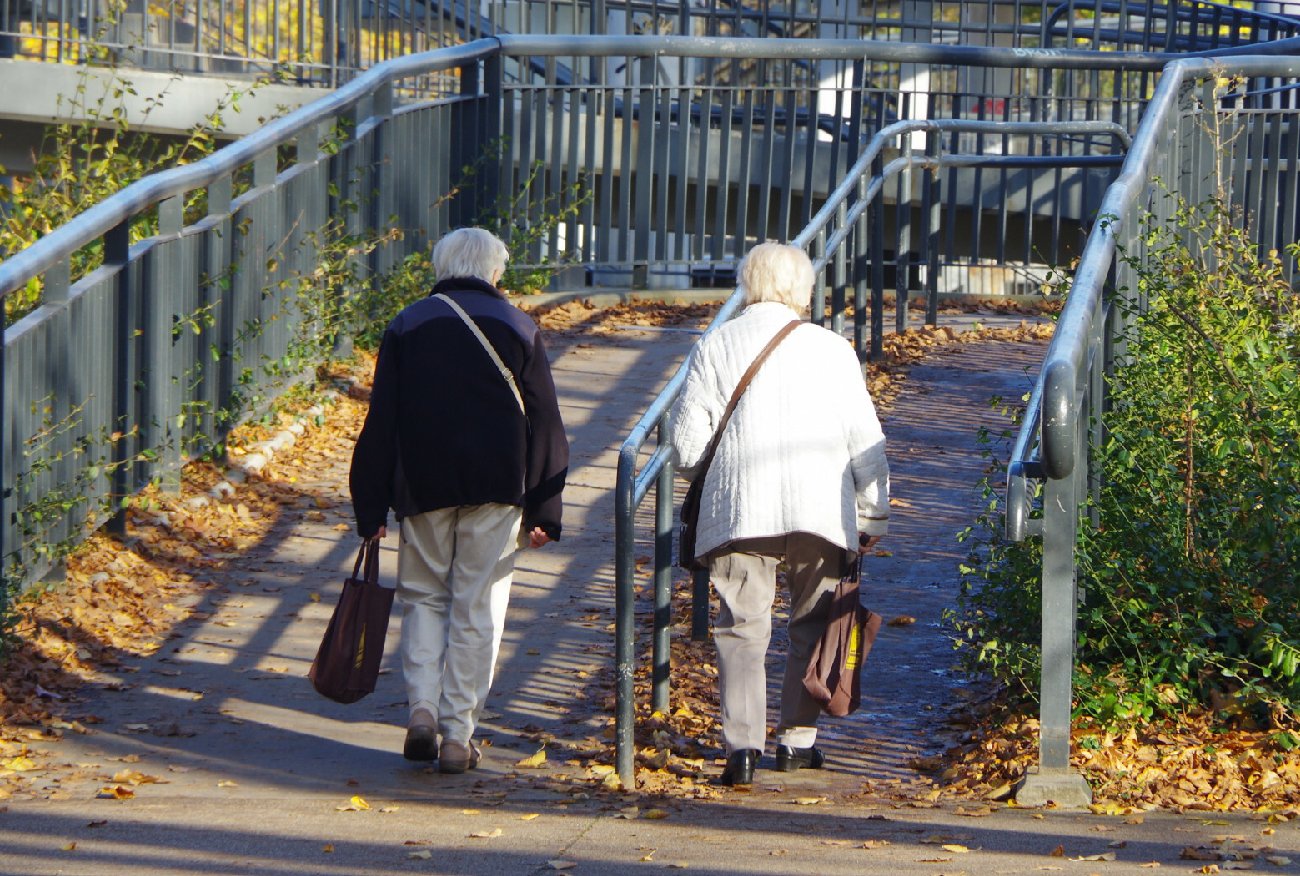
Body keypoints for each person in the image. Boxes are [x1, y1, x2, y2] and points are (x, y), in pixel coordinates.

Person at [668, 241, 890, 786]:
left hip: (739, 510)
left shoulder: (716, 344)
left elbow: (689, 448)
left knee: (742, 628)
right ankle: (796, 740)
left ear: (749, 283)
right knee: (813, 620)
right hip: (820, 508)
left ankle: (741, 748)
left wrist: (711, 475)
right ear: (802, 291)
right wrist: (873, 514)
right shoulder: (833, 348)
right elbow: (866, 440)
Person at [349, 227, 569, 774]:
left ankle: (421, 710)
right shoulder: (521, 326)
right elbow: (545, 422)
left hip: (422, 486)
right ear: (495, 271)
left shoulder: (408, 324)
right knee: (478, 604)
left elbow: (383, 421)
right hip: (498, 487)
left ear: (440, 267)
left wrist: (370, 504)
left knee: (422, 597)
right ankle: (457, 732)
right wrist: (546, 508)